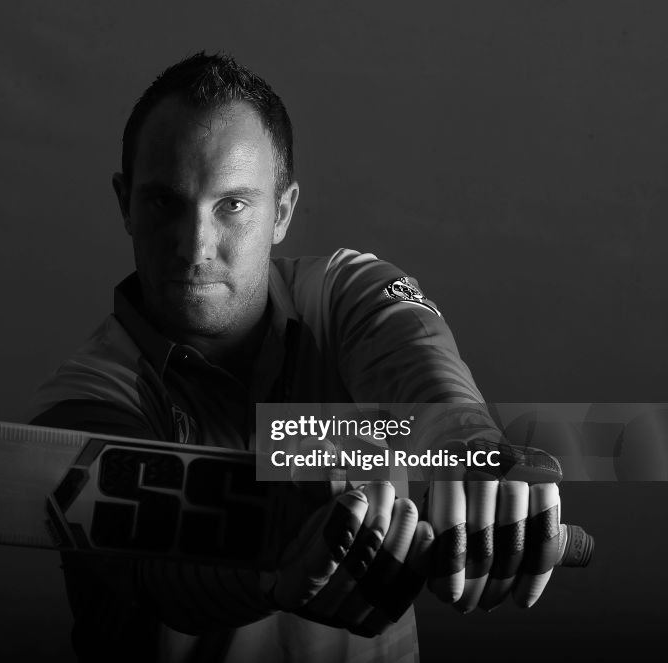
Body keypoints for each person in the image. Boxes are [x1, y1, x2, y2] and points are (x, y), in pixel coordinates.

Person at [30, 52, 562, 663]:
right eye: (164, 203)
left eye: (231, 204)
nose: (195, 246)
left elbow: (422, 373)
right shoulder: (82, 401)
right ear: (125, 203)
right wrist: (276, 581)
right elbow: (154, 575)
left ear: (281, 212)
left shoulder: (344, 292)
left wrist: (472, 453)